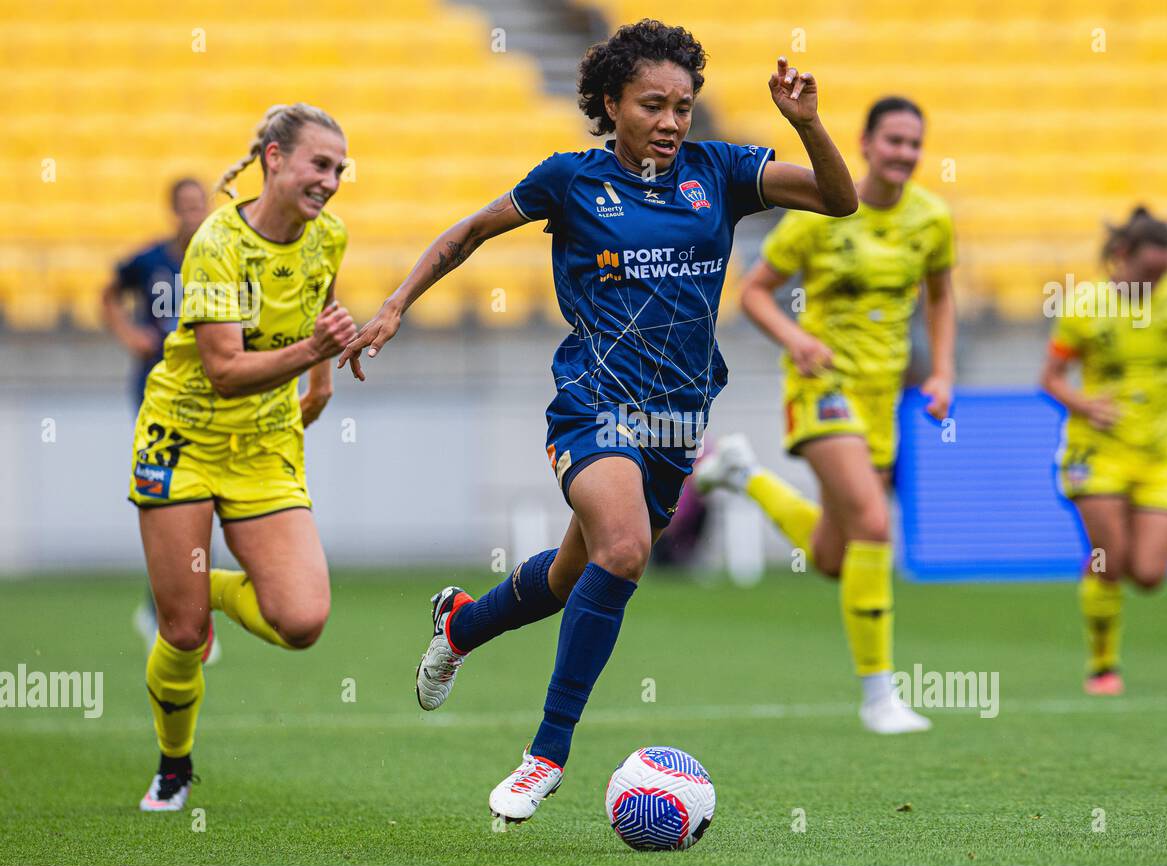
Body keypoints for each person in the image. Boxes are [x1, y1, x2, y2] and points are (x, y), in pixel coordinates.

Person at [339, 20, 857, 823]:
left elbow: (838, 199)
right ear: (611, 103)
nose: (672, 121)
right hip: (593, 404)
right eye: (654, 104)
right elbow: (470, 231)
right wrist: (396, 305)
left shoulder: (719, 173)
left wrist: (808, 124)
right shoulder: (568, 182)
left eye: (685, 105)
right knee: (626, 548)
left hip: (678, 422)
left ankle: (462, 623)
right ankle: (546, 754)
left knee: (574, 575)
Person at [695, 96, 955, 733]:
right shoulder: (820, 215)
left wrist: (943, 371)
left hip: (881, 397)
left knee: (837, 557)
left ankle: (741, 473)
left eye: (914, 143)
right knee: (872, 522)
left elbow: (942, 298)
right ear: (865, 144)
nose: (904, 153)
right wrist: (798, 340)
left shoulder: (931, 221)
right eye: (893, 140)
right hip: (822, 387)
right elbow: (752, 294)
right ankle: (878, 698)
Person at [131, 103, 355, 811]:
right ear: (274, 159)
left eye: (339, 169)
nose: (331, 181)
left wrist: (320, 381)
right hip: (184, 436)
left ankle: (215, 590)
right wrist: (313, 355)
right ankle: (174, 764)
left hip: (263, 444)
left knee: (303, 622)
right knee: (182, 631)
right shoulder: (216, 244)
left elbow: (322, 300)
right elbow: (224, 369)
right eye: (320, 165)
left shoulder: (331, 237)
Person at [1040, 206, 1167, 694]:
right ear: (1122, 257)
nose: (1159, 283)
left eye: (1166, 273)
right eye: (1150, 273)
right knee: (1109, 560)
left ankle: (1101, 580)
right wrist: (1082, 402)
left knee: (1149, 574)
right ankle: (1102, 666)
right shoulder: (1083, 306)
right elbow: (1050, 378)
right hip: (1097, 451)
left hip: (1160, 454)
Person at [103, 178, 221, 659]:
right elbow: (108, 293)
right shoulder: (149, 262)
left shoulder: (221, 259)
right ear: (173, 210)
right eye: (185, 206)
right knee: (163, 502)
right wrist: (129, 335)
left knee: (203, 502)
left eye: (200, 205)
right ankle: (163, 611)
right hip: (157, 397)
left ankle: (181, 611)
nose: (193, 214)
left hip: (207, 398)